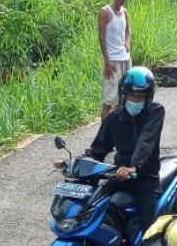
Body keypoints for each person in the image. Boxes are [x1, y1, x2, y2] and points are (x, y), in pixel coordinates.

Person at [64, 66, 165, 237]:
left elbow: (146, 140)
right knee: (90, 208)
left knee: (151, 234)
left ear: (148, 98)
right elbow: (97, 151)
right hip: (118, 177)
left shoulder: (155, 112)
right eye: (131, 95)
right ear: (123, 95)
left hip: (145, 180)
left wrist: (134, 167)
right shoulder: (113, 118)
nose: (135, 100)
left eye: (140, 97)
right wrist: (72, 163)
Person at [99, 0, 133, 118]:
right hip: (112, 62)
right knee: (108, 101)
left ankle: (118, 134)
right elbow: (101, 37)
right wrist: (107, 61)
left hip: (126, 60)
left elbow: (128, 29)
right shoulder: (105, 12)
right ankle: (104, 137)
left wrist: (127, 42)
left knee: (123, 99)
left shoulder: (124, 12)